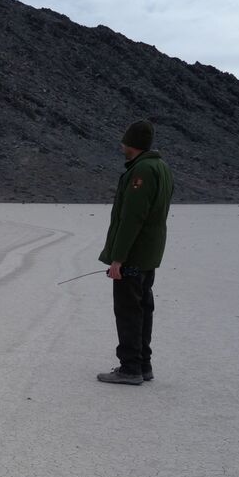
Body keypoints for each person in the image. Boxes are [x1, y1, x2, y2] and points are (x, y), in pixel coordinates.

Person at [96, 120, 174, 385]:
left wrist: (118, 258)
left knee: (129, 310)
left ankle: (130, 368)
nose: (121, 145)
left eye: (124, 141)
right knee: (143, 308)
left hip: (134, 255)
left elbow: (132, 218)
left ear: (132, 144)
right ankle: (143, 364)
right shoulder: (161, 167)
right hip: (148, 255)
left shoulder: (142, 171)